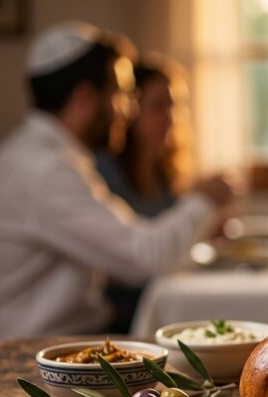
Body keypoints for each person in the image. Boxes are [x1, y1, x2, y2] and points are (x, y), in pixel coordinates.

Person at [0, 22, 232, 348]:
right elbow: (144, 258)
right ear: (85, 98)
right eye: (120, 93)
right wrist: (202, 200)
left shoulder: (37, 154)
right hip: (39, 352)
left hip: (57, 338)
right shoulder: (45, 171)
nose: (128, 108)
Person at [94, 54, 229, 332]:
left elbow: (173, 239)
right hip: (125, 312)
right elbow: (141, 255)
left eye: (174, 105)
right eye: (158, 106)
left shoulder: (162, 170)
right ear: (131, 110)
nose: (170, 116)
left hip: (159, 293)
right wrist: (201, 199)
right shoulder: (105, 173)